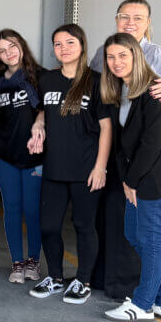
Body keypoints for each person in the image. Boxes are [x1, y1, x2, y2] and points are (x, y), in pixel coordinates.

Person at [89, 0, 161, 301]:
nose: (130, 22)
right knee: (134, 235)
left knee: (149, 239)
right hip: (129, 162)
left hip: (153, 169)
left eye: (138, 18)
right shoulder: (107, 59)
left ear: (148, 23)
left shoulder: (156, 65)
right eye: (124, 16)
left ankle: (144, 303)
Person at [27, 24, 111, 305]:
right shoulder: (47, 80)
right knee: (48, 226)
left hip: (86, 168)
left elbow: (106, 127)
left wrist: (100, 167)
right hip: (54, 166)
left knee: (84, 225)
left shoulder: (96, 81)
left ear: (82, 45)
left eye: (70, 42)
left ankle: (83, 280)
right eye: (58, 44)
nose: (63, 48)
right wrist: (38, 125)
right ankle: (55, 277)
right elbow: (43, 110)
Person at [0, 29, 44, 284]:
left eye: (12, 46)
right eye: (2, 50)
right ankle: (17, 263)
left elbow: (48, 107)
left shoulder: (40, 76)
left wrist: (40, 121)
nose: (8, 53)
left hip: (34, 155)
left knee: (32, 210)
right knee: (11, 208)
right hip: (4, 155)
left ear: (21, 45)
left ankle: (33, 261)